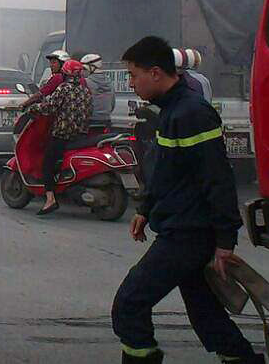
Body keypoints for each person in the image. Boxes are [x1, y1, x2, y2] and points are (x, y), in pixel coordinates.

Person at [110, 36, 261, 364]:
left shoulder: (192, 112)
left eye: (133, 76)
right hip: (181, 226)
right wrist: (146, 210)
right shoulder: (171, 111)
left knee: (129, 304)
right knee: (207, 315)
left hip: (188, 234)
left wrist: (225, 240)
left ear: (154, 73)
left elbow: (217, 178)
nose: (131, 83)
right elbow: (168, 172)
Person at [18, 58, 93, 217]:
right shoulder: (86, 91)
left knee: (47, 164)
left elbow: (49, 106)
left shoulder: (63, 89)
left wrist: (32, 109)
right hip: (81, 135)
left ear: (65, 73)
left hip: (62, 134)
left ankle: (50, 198)